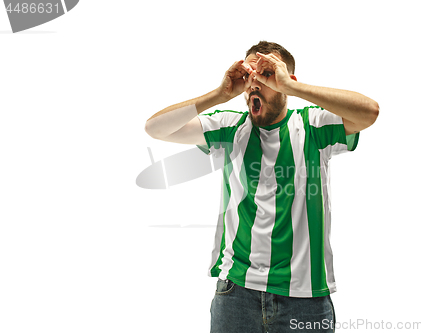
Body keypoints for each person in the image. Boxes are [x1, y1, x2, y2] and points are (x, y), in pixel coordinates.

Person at [145, 41, 379, 333]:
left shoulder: (312, 126)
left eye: (266, 74)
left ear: (286, 80)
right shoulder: (230, 129)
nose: (255, 82)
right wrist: (219, 94)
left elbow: (369, 112)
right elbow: (155, 128)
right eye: (250, 75)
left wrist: (293, 87)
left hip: (305, 297)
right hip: (236, 295)